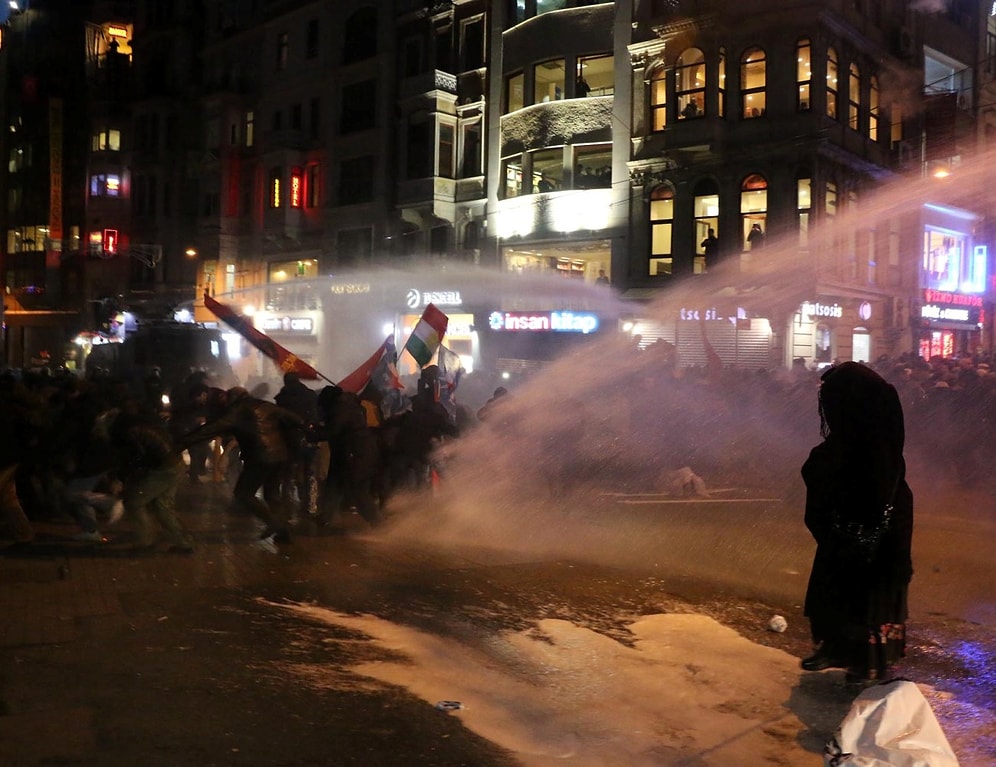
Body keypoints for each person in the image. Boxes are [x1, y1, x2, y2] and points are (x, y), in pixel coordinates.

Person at [800, 362, 913, 684]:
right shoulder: (851, 435)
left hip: (879, 517)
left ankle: (866, 661)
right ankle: (837, 648)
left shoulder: (877, 436)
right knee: (836, 581)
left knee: (870, 590)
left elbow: (879, 479)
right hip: (852, 515)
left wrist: (870, 529)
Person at [180, 387, 304, 543]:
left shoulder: (238, 411)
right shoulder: (264, 405)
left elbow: (212, 428)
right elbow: (295, 419)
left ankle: (275, 524)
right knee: (272, 494)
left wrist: (184, 441)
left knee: (243, 493)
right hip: (280, 455)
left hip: (260, 457)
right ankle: (284, 533)